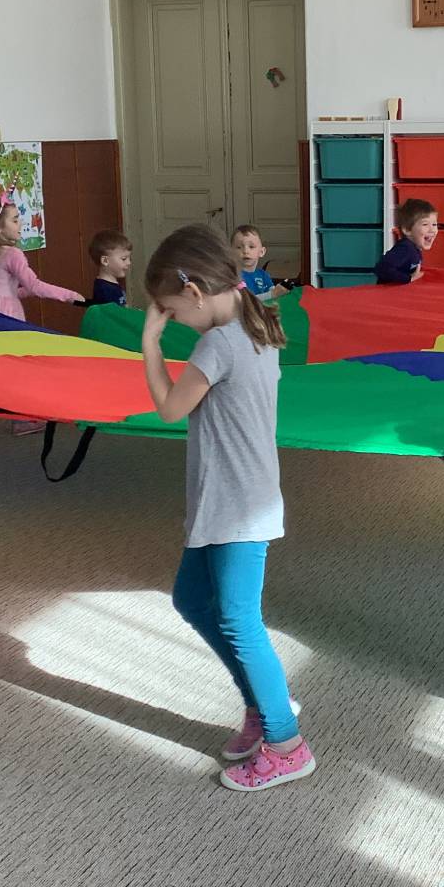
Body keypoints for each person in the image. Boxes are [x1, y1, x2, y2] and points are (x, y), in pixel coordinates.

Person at [140, 224, 314, 792]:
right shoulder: (253, 320)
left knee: (239, 619)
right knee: (192, 600)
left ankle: (287, 744)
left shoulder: (218, 343)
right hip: (230, 499)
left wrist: (150, 344)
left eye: (172, 311)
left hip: (237, 506)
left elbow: (170, 408)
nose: (173, 320)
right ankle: (261, 703)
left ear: (193, 293)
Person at [0, 195, 82, 436]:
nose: (21, 224)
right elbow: (34, 285)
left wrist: (26, 291)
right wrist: (69, 295)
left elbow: (4, 288)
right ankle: (21, 420)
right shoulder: (13, 254)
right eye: (15, 220)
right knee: (17, 367)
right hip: (4, 316)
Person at [376, 198, 438, 284]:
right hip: (389, 291)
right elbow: (381, 268)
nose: (432, 230)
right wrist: (408, 279)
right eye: (425, 224)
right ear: (407, 230)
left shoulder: (414, 248)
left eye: (434, 224)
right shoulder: (405, 249)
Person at [231, 224, 287, 299]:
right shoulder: (233, 277)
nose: (245, 251)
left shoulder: (263, 274)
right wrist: (272, 294)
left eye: (251, 247)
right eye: (239, 247)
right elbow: (245, 301)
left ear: (261, 252)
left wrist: (280, 290)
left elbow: (273, 291)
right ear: (231, 252)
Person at [87, 229, 133, 307]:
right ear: (105, 260)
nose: (129, 262)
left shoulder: (111, 284)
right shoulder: (104, 290)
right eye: (124, 259)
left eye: (129, 258)